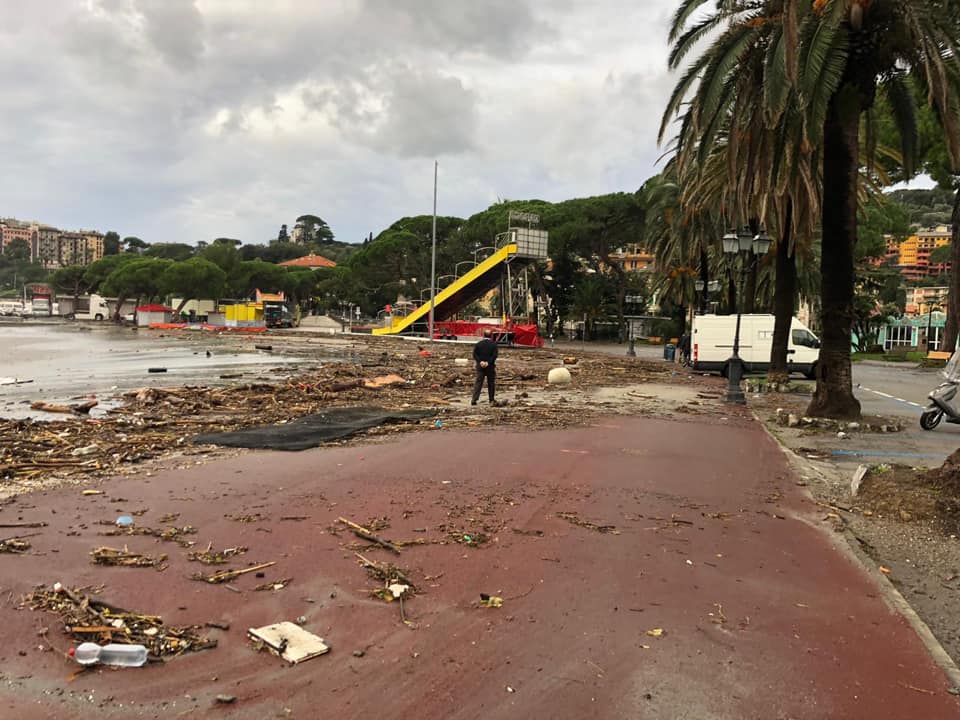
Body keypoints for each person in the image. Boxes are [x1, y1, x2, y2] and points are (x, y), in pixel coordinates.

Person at [471, 329, 498, 405]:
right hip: (490, 367)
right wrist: (488, 362)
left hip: (480, 367)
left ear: (483, 335)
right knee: (491, 383)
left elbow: (474, 354)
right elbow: (494, 356)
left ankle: (474, 399)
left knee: (478, 382)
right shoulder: (493, 345)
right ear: (491, 336)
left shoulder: (479, 344)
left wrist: (480, 362)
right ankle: (491, 399)